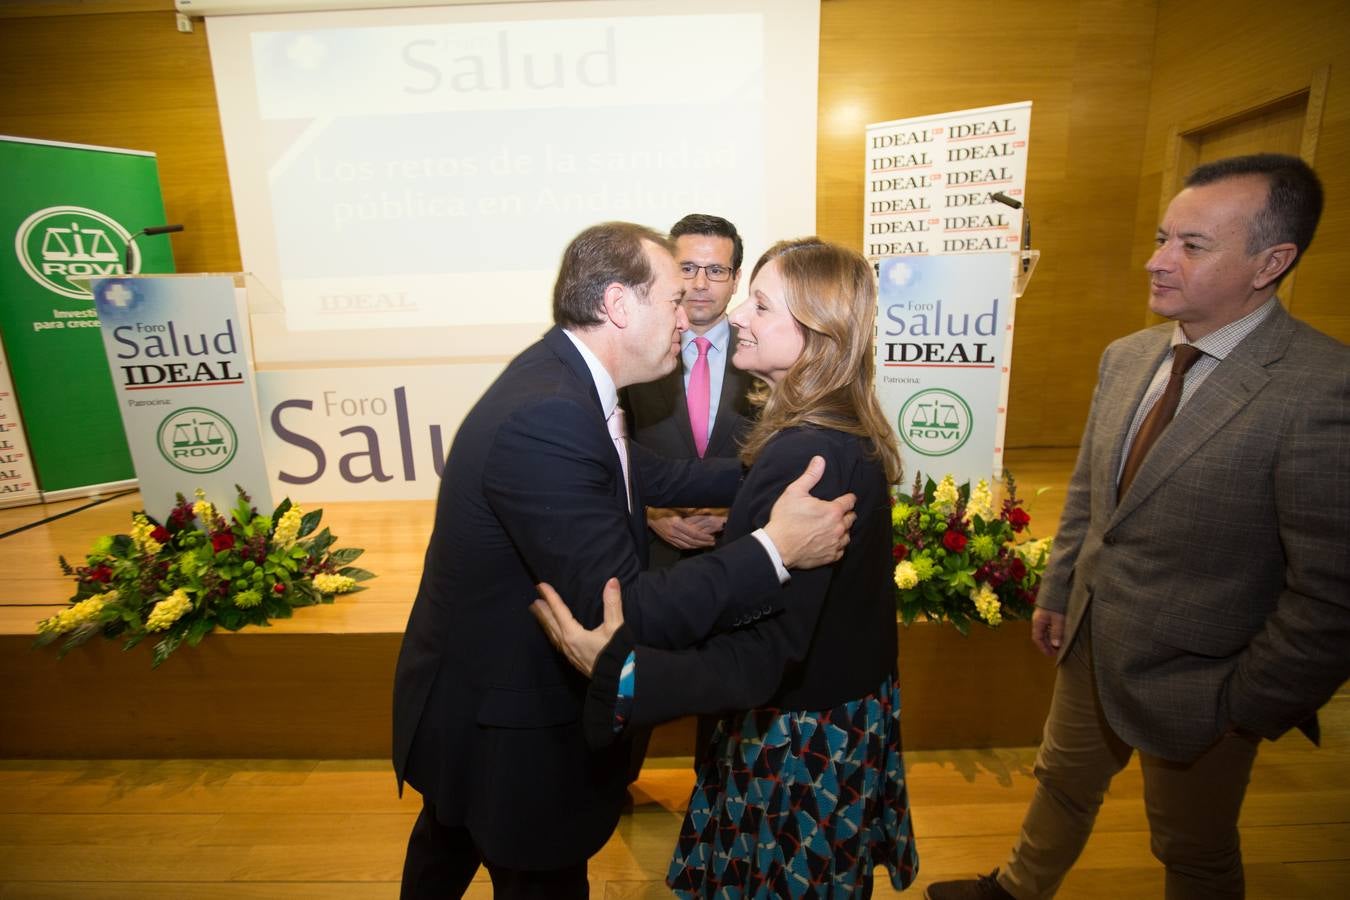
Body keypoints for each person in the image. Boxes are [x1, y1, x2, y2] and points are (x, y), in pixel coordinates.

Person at [392, 221, 859, 900]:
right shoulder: (547, 416)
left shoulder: (565, 379)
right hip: (504, 720)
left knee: (447, 848)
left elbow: (648, 478)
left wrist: (759, 475)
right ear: (618, 305)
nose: (693, 313)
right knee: (532, 872)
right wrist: (774, 548)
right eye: (673, 298)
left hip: (482, 690)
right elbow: (628, 610)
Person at [925, 154, 1350, 899]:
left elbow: (1331, 595)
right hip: (1090, 641)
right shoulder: (1127, 358)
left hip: (1206, 681)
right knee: (1060, 780)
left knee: (1193, 847)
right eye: (1162, 237)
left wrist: (1247, 704)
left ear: (1271, 261)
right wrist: (1059, 592)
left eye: (1192, 246)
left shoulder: (1321, 390)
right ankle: (1020, 888)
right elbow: (1093, 497)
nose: (1156, 261)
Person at [534, 237, 921, 897]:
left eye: (762, 305)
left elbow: (768, 653)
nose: (738, 314)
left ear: (819, 335)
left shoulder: (809, 458)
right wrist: (593, 433)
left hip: (797, 743)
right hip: (828, 714)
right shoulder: (826, 431)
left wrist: (626, 674)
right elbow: (694, 474)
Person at [620, 212, 757, 783]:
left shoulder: (766, 353)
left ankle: (719, 794)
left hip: (739, 547)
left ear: (736, 278)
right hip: (653, 551)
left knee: (732, 685)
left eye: (716, 270)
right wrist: (652, 513)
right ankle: (614, 783)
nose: (701, 284)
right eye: (688, 268)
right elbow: (611, 449)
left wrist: (736, 509)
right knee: (633, 677)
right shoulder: (633, 348)